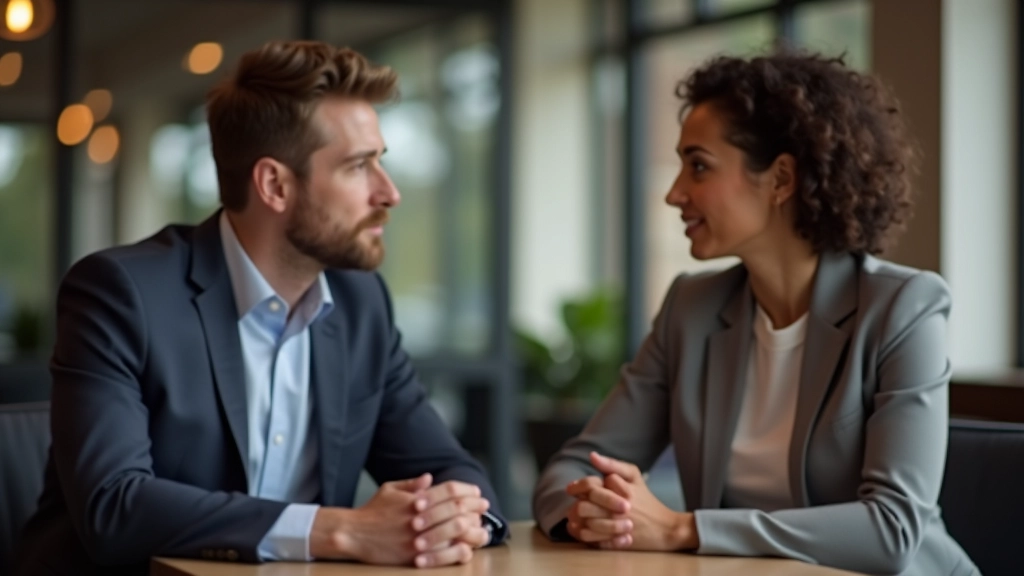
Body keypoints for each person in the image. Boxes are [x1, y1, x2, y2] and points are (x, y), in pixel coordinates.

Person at [16, 40, 507, 575]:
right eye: (358, 166)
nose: (389, 192)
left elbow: (449, 469)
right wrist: (340, 529)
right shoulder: (121, 293)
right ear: (274, 184)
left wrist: (455, 519)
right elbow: (114, 505)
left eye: (381, 162)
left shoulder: (361, 304)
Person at [532, 52, 978, 576]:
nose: (675, 193)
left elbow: (891, 529)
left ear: (781, 179)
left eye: (698, 165)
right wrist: (601, 514)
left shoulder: (903, 307)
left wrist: (684, 528)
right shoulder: (691, 309)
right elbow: (573, 467)